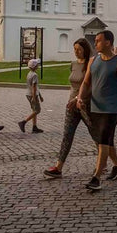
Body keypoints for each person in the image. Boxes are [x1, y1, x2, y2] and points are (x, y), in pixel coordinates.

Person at [76, 30, 117, 191]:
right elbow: (86, 83)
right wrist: (79, 97)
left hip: (111, 110)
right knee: (107, 142)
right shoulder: (93, 61)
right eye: (95, 41)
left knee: (102, 142)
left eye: (98, 41)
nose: (95, 44)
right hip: (95, 108)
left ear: (108, 42)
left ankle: (96, 178)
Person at [45, 38, 94, 178]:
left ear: (85, 49)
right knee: (67, 135)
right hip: (71, 106)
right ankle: (58, 167)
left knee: (96, 135)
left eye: (79, 49)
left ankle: (105, 163)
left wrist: (78, 98)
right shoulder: (73, 64)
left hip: (85, 105)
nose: (76, 52)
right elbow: (72, 84)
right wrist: (71, 98)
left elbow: (91, 86)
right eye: (74, 49)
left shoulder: (90, 64)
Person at [19, 59, 44, 133]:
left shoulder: (29, 73)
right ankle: (23, 122)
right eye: (37, 65)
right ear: (35, 66)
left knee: (34, 110)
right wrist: (34, 97)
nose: (38, 66)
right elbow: (34, 87)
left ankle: (34, 126)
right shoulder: (35, 75)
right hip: (32, 95)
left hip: (28, 94)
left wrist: (40, 95)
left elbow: (36, 87)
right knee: (37, 110)